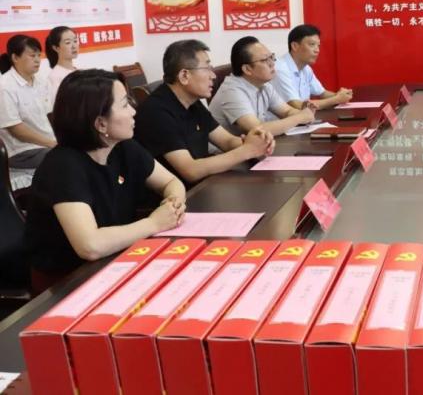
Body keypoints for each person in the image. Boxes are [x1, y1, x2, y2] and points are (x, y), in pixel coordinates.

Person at [24, 69, 186, 283]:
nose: (133, 111)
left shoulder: (124, 147)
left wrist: (173, 204)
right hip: (66, 281)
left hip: (117, 260)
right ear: (100, 123)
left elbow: (171, 182)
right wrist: (155, 223)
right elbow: (90, 246)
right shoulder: (63, 166)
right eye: (125, 105)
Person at [134, 40, 275, 186]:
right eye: (207, 68)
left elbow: (226, 141)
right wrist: (247, 151)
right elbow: (190, 170)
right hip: (177, 196)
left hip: (204, 186)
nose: (213, 76)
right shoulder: (156, 112)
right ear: (184, 76)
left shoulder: (192, 102)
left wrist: (256, 142)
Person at [209, 36, 316, 136]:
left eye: (272, 57)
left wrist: (305, 113)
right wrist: (299, 118)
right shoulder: (231, 91)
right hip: (228, 149)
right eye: (265, 60)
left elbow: (286, 111)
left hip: (253, 147)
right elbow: (257, 130)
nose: (272, 63)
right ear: (247, 69)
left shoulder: (264, 85)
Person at [0, 35, 56, 169]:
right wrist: (52, 144)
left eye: (38, 55)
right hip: (22, 151)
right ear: (15, 58)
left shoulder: (41, 81)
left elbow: (50, 115)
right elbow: (16, 129)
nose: (37, 60)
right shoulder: (5, 86)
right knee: (67, 158)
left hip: (47, 145)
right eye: (32, 55)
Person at [273, 24, 353, 109]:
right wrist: (336, 99)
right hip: (285, 117)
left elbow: (322, 93)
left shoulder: (306, 68)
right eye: (312, 44)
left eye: (318, 45)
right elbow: (297, 105)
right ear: (295, 46)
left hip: (303, 116)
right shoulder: (280, 69)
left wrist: (341, 95)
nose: (317, 50)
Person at [45, 25, 79, 105]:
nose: (74, 46)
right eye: (68, 43)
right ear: (56, 48)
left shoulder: (79, 71)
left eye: (75, 41)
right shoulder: (54, 77)